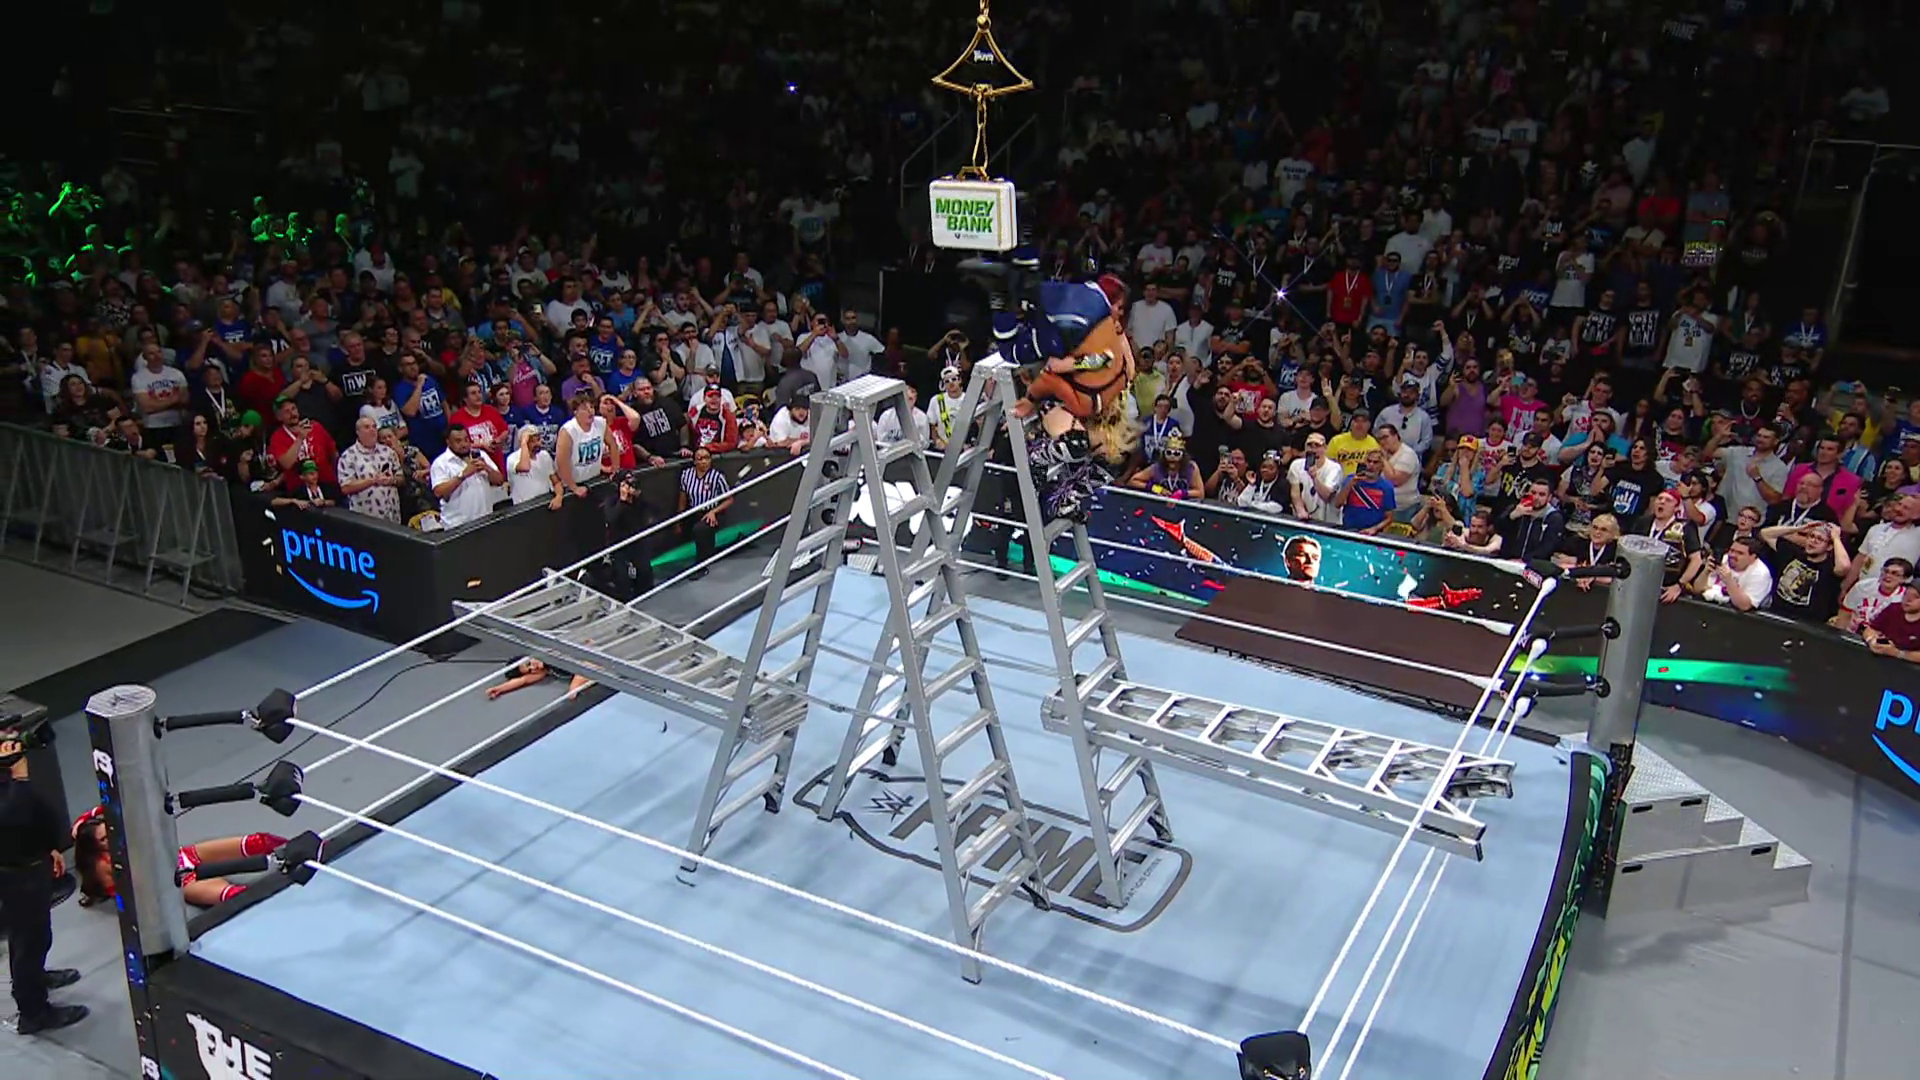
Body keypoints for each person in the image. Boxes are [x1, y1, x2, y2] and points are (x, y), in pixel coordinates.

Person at [0, 734, 86, 1034]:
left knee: (36, 935)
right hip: (15, 875)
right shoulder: (14, 781)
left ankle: (35, 977)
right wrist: (21, 778)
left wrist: (48, 847)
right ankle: (33, 1012)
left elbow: (32, 813)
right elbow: (11, 816)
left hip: (30, 863)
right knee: (28, 940)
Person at [71, 806, 285, 909]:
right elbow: (130, 892)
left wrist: (94, 815)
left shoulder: (114, 835)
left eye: (108, 831)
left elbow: (88, 819)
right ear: (94, 847)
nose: (110, 838)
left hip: (183, 855)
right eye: (103, 839)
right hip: (177, 880)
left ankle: (299, 848)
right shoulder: (102, 865)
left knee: (258, 842)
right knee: (236, 896)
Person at [431, 425, 504, 529]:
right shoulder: (441, 463)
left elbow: (500, 480)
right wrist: (463, 475)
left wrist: (487, 468)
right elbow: (439, 492)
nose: (464, 444)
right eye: (458, 441)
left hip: (485, 519)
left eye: (466, 439)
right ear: (448, 442)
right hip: (457, 524)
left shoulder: (480, 455)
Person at [679, 446, 733, 570]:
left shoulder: (717, 476)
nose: (704, 461)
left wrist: (713, 512)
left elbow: (729, 499)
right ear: (694, 461)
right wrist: (678, 519)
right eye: (700, 458)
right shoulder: (686, 475)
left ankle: (701, 565)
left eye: (707, 458)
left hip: (712, 512)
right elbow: (682, 498)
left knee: (700, 529)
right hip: (693, 511)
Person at [486, 658, 593, 702]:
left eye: (528, 663)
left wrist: (574, 687)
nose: (533, 668)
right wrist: (499, 689)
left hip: (590, 661)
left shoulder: (550, 652)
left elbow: (584, 666)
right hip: (586, 669)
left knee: (573, 690)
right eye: (530, 670)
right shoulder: (545, 669)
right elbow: (523, 680)